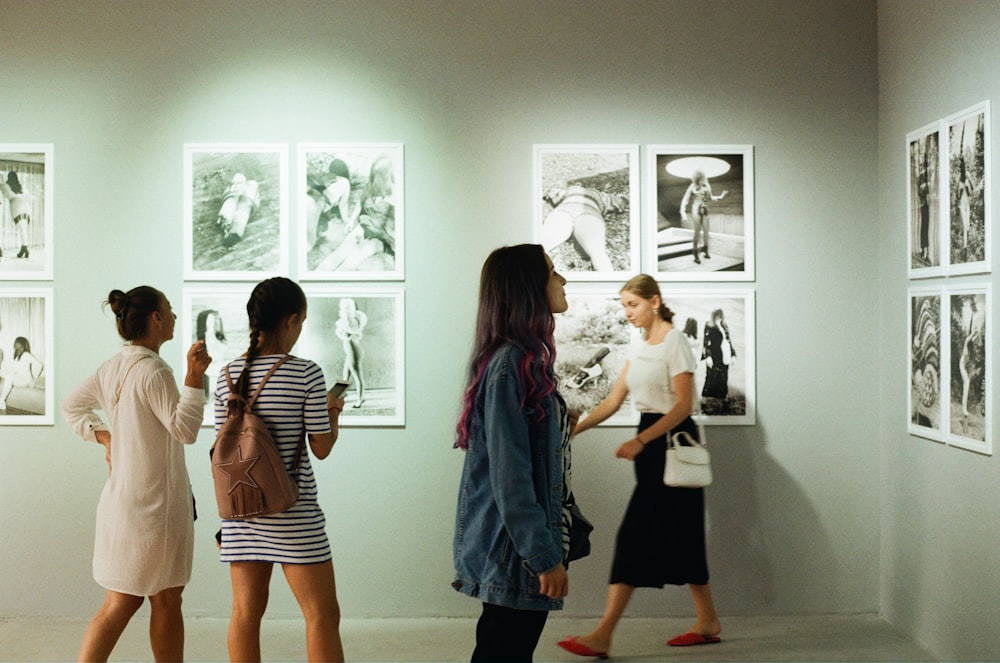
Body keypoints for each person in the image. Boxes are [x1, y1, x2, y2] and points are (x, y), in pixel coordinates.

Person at [558, 274, 721, 659]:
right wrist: (574, 431)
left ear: (654, 301)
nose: (627, 312)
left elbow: (684, 405)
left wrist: (641, 440)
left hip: (671, 440)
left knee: (634, 535)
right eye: (623, 304)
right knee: (684, 535)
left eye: (632, 304)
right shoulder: (639, 343)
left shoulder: (674, 342)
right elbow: (615, 399)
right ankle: (708, 621)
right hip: (651, 446)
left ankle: (603, 633)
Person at [61, 286, 211, 663]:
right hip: (155, 506)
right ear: (156, 318)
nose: (175, 316)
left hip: (123, 501)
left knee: (122, 601)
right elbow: (185, 431)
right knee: (164, 599)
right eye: (170, 310)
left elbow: (71, 406)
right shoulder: (155, 370)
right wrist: (195, 377)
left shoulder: (112, 366)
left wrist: (104, 436)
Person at [452, 243, 573, 662]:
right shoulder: (511, 366)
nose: (562, 279)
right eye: (554, 271)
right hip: (514, 553)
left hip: (513, 550)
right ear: (528, 288)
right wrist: (543, 557)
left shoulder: (524, 362)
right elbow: (511, 477)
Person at [215, 276, 345, 663]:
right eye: (301, 322)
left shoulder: (225, 377)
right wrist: (332, 413)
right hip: (293, 514)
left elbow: (228, 448)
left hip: (241, 510)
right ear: (290, 320)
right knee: (321, 614)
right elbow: (321, 448)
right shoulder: (305, 373)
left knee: (245, 614)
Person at [541, 185, 627, 273]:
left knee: (539, 248)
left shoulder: (570, 190)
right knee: (598, 255)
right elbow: (620, 202)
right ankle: (608, 283)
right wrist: (623, 198)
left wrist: (551, 194)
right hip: (589, 212)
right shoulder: (601, 196)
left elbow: (553, 193)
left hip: (566, 208)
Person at [679, 169, 727, 264]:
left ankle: (705, 250)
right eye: (701, 177)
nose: (703, 179)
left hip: (705, 208)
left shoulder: (707, 185)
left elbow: (710, 197)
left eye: (703, 177)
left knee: (706, 231)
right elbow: (685, 199)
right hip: (696, 208)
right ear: (697, 178)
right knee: (697, 231)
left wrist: (721, 196)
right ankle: (696, 253)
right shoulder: (692, 186)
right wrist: (683, 212)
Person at [701, 309, 736, 414]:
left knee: (724, 378)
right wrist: (707, 356)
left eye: (720, 316)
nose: (719, 318)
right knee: (710, 378)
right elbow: (706, 342)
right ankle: (704, 403)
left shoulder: (724, 325)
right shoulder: (709, 325)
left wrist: (733, 354)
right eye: (717, 316)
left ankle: (724, 402)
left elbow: (728, 340)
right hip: (714, 355)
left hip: (725, 355)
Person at [335, 297, 367, 408]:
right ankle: (340, 395)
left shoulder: (352, 321)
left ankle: (360, 399)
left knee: (357, 376)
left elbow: (347, 332)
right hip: (352, 350)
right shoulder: (351, 320)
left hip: (353, 350)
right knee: (346, 374)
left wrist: (345, 333)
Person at [0, 336, 45, 410]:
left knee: (9, 376)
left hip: (25, 381)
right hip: (19, 379)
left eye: (16, 342)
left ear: (21, 344)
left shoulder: (26, 354)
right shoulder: (17, 357)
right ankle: (2, 403)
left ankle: (1, 401)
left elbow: (40, 365)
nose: (14, 344)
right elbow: (14, 370)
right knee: (5, 373)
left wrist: (34, 378)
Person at [1, 170, 32, 259]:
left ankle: (25, 248)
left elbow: (2, 186)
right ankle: (24, 248)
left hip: (16, 205)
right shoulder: (19, 187)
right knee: (23, 228)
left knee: (21, 228)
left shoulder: (6, 186)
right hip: (24, 205)